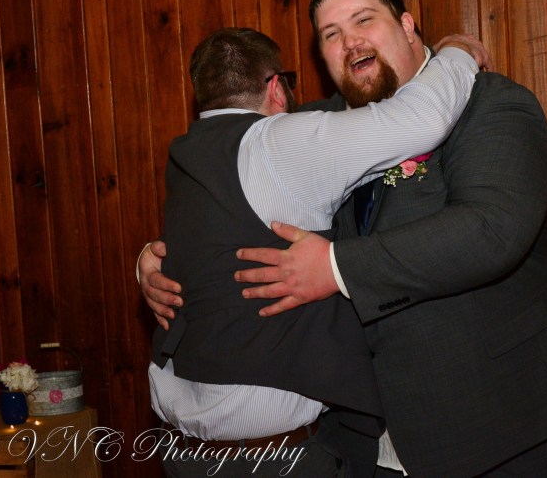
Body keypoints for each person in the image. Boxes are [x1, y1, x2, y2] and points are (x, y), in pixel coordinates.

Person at [142, 0, 547, 477]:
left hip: (502, 426)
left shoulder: (490, 103)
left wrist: (336, 267)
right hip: (366, 442)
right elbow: (228, 199)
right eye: (330, 34)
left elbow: (491, 231)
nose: (349, 41)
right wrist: (155, 258)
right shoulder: (311, 129)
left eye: (364, 20)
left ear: (407, 26)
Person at [147, 26, 487, 478]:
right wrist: (458, 51)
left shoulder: (186, 154)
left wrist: (146, 260)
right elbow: (424, 119)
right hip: (270, 461)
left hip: (181, 453)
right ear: (276, 88)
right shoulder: (278, 142)